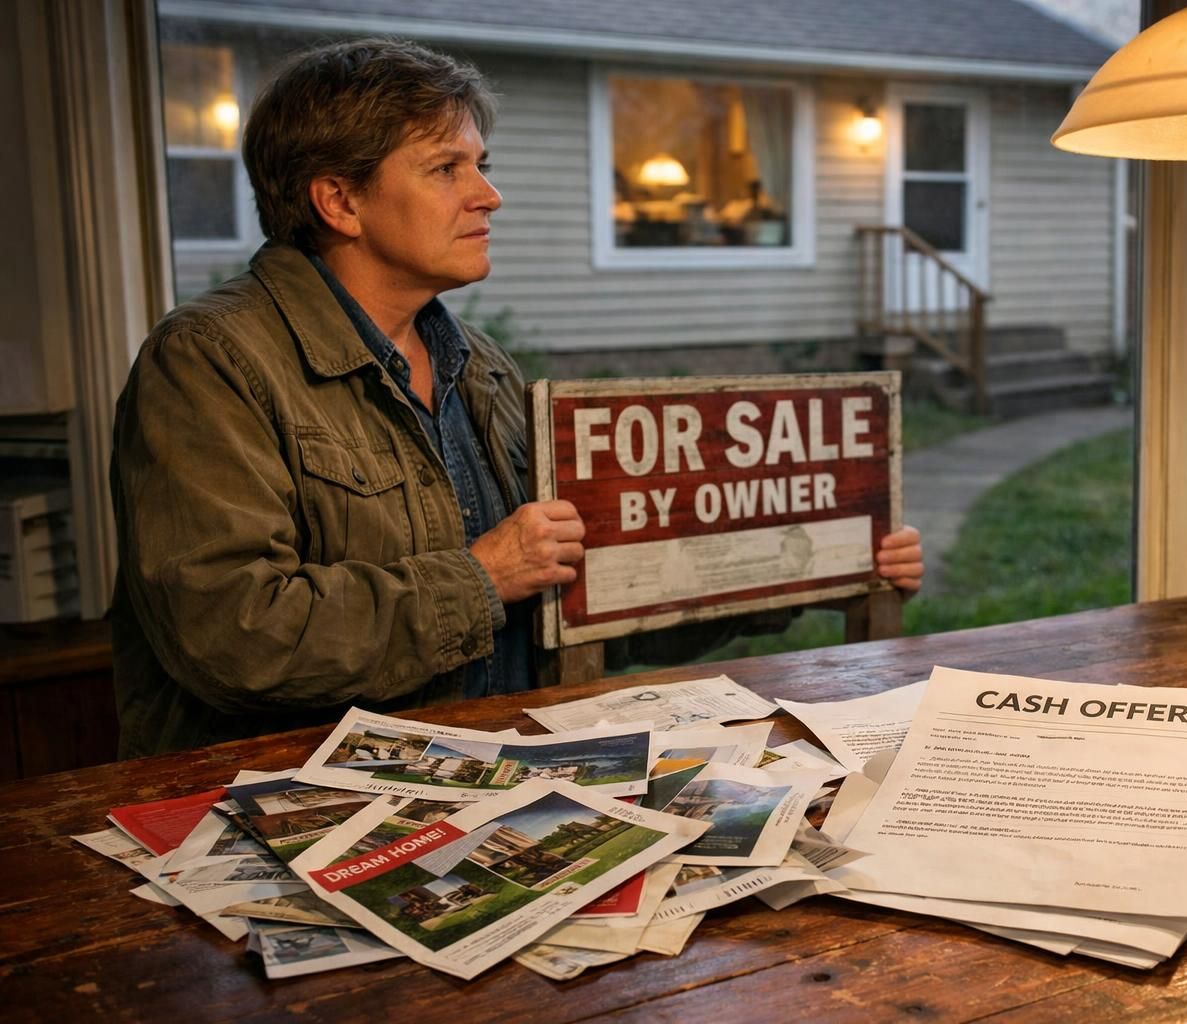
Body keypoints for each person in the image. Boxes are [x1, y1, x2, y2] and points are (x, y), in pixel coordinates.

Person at [111, 39, 923, 758]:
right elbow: (231, 634)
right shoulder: (211, 361)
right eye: (445, 169)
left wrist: (821, 557)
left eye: (481, 166)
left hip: (506, 785)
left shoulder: (482, 366)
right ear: (340, 201)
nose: (487, 196)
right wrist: (478, 578)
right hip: (309, 814)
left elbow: (594, 584)